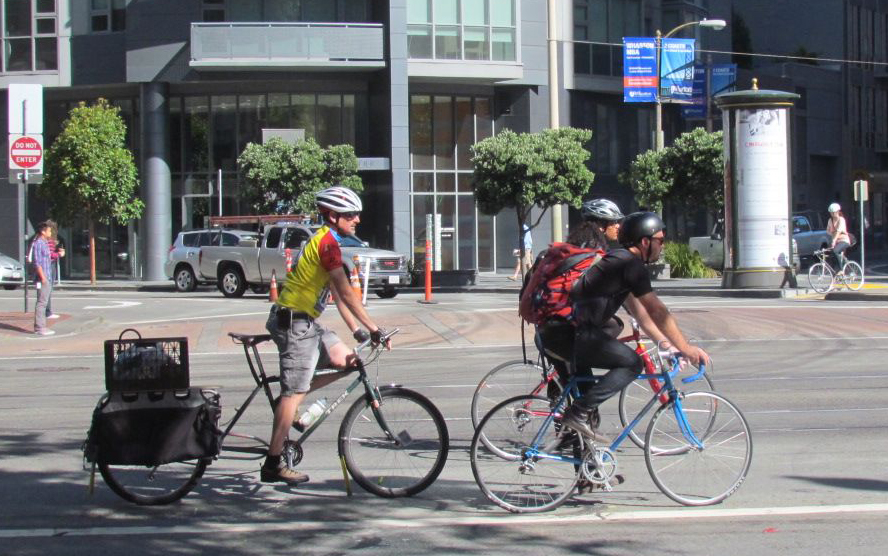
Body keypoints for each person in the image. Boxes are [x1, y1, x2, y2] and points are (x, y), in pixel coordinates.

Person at [261, 186, 390, 485]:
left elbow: (338, 296)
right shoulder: (327, 244)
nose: (357, 219)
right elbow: (346, 291)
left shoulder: (327, 243)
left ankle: (290, 400)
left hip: (308, 324)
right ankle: (272, 463)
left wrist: (357, 330)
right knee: (294, 393)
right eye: (351, 214)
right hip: (294, 324)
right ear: (332, 216)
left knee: (349, 361)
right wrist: (374, 329)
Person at [560, 212, 711, 441]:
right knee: (632, 364)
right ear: (645, 241)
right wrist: (687, 349)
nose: (663, 245)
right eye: (660, 240)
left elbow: (643, 316)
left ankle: (582, 458)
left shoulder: (620, 264)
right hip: (569, 336)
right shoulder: (629, 265)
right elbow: (657, 311)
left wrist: (666, 344)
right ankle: (577, 413)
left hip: (559, 333)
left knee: (589, 405)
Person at [31, 222, 55, 336]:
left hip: (47, 276)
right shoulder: (39, 243)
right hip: (43, 277)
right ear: (43, 231)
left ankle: (41, 326)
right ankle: (40, 327)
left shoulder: (45, 243)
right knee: (41, 302)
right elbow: (37, 262)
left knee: (43, 302)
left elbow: (47, 259)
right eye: (49, 231)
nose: (50, 233)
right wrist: (43, 277)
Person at [45, 220, 65, 319]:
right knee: (48, 288)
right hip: (49, 265)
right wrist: (59, 254)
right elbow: (49, 254)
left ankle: (47, 311)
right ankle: (47, 312)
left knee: (47, 289)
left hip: (49, 264)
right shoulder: (49, 240)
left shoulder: (47, 240)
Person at [827, 202, 851, 272]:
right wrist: (833, 234)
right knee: (830, 254)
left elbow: (838, 231)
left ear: (837, 212)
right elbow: (828, 231)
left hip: (844, 241)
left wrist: (834, 240)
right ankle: (834, 272)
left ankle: (841, 270)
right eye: (831, 212)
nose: (832, 214)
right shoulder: (830, 220)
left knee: (835, 251)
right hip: (836, 241)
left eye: (833, 212)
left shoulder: (841, 219)